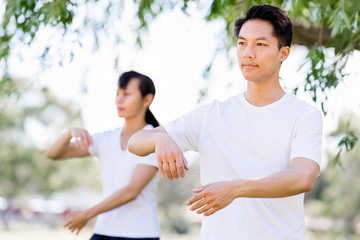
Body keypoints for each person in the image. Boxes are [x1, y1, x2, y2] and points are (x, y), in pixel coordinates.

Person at [128, 5, 323, 240]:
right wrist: (160, 138)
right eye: (242, 43)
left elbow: (303, 177)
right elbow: (135, 142)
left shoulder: (303, 115)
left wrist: (236, 189)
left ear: (283, 53)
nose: (248, 53)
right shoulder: (212, 115)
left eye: (260, 44)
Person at [46, 71, 161, 240]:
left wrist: (86, 214)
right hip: (105, 230)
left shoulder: (154, 138)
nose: (119, 100)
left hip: (140, 234)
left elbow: (132, 191)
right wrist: (69, 133)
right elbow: (53, 154)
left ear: (147, 100)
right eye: (117, 94)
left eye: (127, 94)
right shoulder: (106, 138)